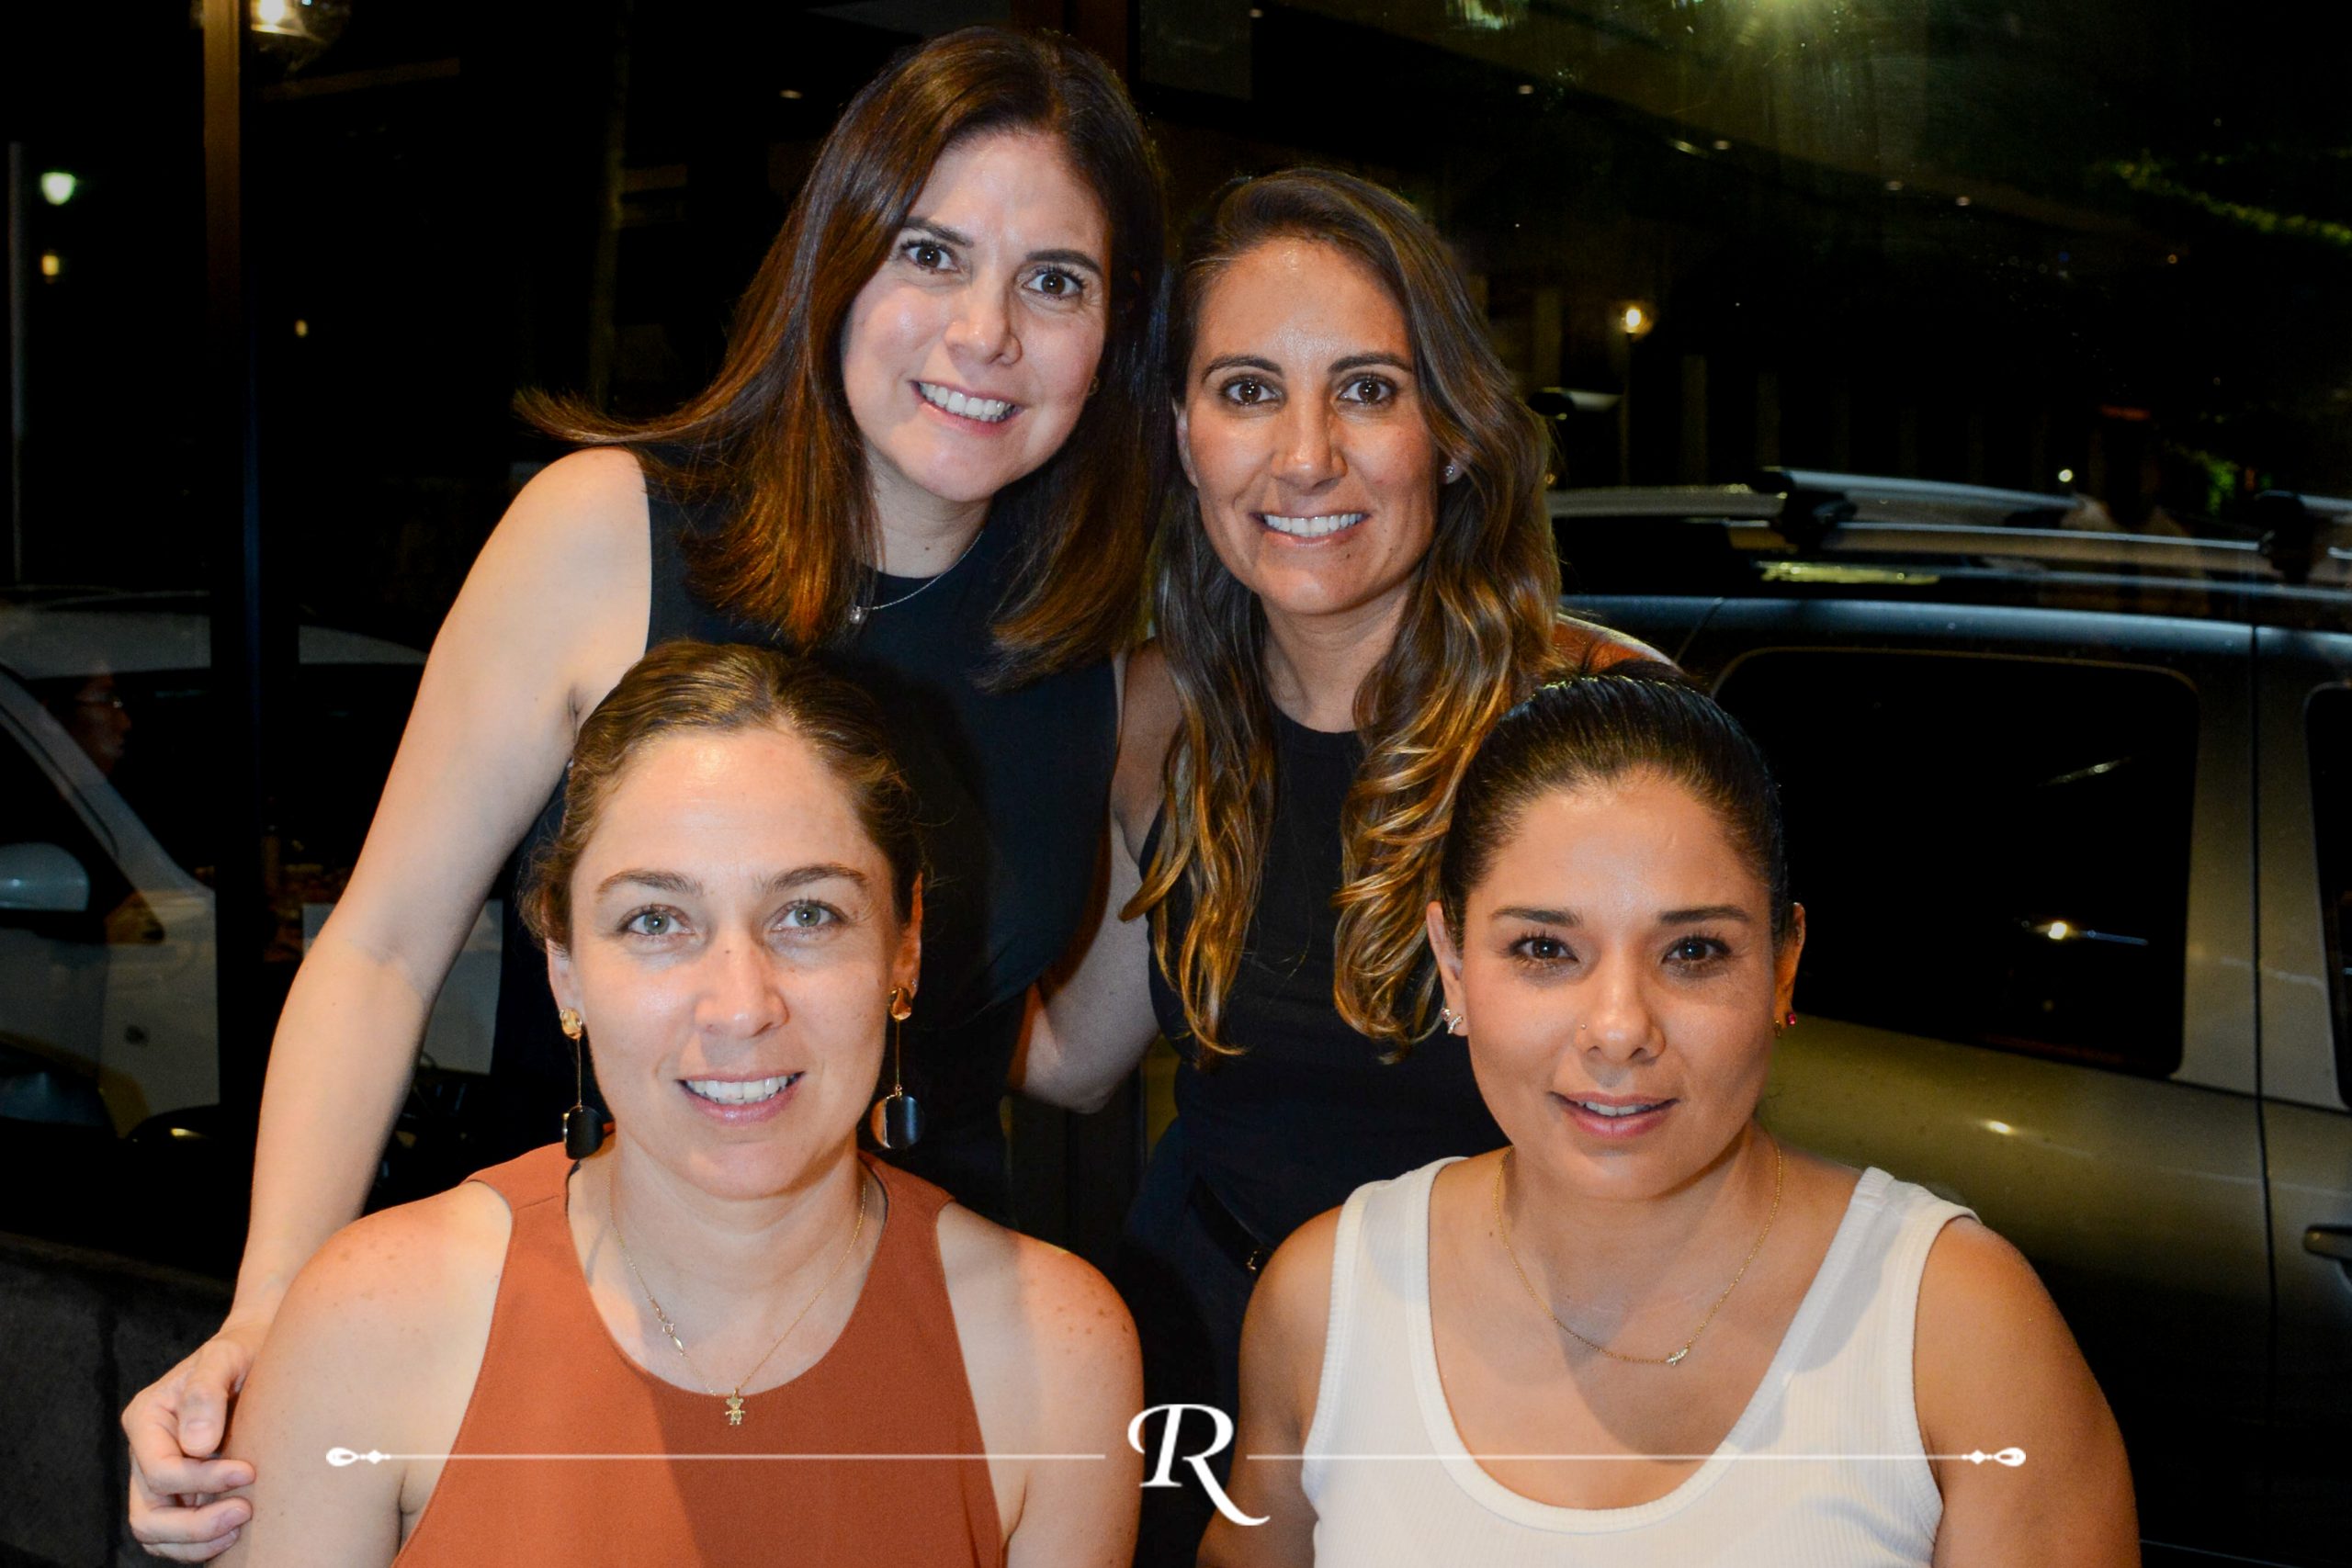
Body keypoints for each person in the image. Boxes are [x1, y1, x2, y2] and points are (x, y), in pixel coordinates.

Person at [128, 28, 1167, 1558]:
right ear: (834, 266)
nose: (986, 333)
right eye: (931, 253)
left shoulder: (1095, 659)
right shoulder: (608, 533)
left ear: (1114, 335)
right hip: (586, 1293)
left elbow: (1059, 1055)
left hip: (920, 1334)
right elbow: (385, 942)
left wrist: (1210, 797)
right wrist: (272, 1302)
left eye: (1056, 281)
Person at [1013, 168, 1652, 1561]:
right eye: (1246, 390)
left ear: (1454, 433)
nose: (1304, 457)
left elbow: (1687, 1131)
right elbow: (1072, 1056)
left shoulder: (1599, 724)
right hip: (1203, 1352)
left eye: (1366, 389)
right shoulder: (1157, 713)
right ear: (1182, 437)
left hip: (1499, 1382)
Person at [213, 641, 1142, 1567]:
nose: (740, 1005)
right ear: (564, 967)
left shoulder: (1055, 1352)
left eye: (808, 913)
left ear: (905, 946)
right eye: (655, 920)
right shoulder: (374, 1318)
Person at [1200, 666, 2138, 1566]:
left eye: (1693, 951)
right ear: (1451, 963)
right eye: (1544, 948)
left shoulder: (1959, 1328)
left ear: (1783, 965)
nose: (1618, 1028)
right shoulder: (1327, 1301)